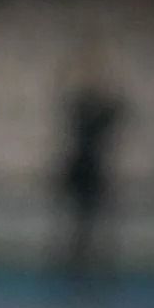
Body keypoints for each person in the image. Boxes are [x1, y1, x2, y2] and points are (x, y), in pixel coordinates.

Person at [54, 33, 125, 281]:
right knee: (75, 224)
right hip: (80, 170)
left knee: (93, 223)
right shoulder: (81, 111)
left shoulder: (102, 116)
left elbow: (117, 108)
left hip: (94, 171)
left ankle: (90, 263)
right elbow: (66, 95)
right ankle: (74, 262)